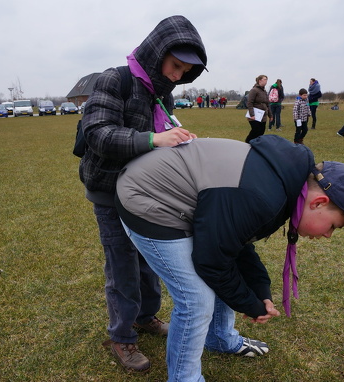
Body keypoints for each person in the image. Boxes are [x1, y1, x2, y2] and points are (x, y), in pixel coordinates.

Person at [115, 134, 344, 381]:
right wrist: (250, 304)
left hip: (167, 192)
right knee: (196, 300)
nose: (328, 235)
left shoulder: (281, 184)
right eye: (333, 226)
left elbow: (233, 245)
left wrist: (260, 290)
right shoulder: (263, 196)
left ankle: (220, 339)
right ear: (319, 202)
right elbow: (212, 261)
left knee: (219, 272)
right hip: (145, 196)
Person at [78, 15, 207, 373]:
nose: (178, 75)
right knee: (122, 267)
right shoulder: (114, 79)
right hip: (108, 192)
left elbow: (162, 137)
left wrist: (177, 139)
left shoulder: (162, 93)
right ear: (156, 53)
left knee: (150, 260)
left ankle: (146, 317)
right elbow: (98, 135)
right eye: (175, 65)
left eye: (185, 71)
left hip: (148, 193)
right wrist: (154, 139)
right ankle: (122, 337)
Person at [245, 74, 272, 143]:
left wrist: (270, 115)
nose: (266, 81)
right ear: (260, 81)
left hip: (263, 116)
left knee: (261, 132)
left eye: (267, 80)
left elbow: (267, 104)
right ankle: (247, 143)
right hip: (255, 116)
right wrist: (252, 114)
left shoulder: (264, 91)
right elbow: (250, 103)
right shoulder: (254, 90)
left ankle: (256, 145)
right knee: (255, 131)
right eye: (265, 79)